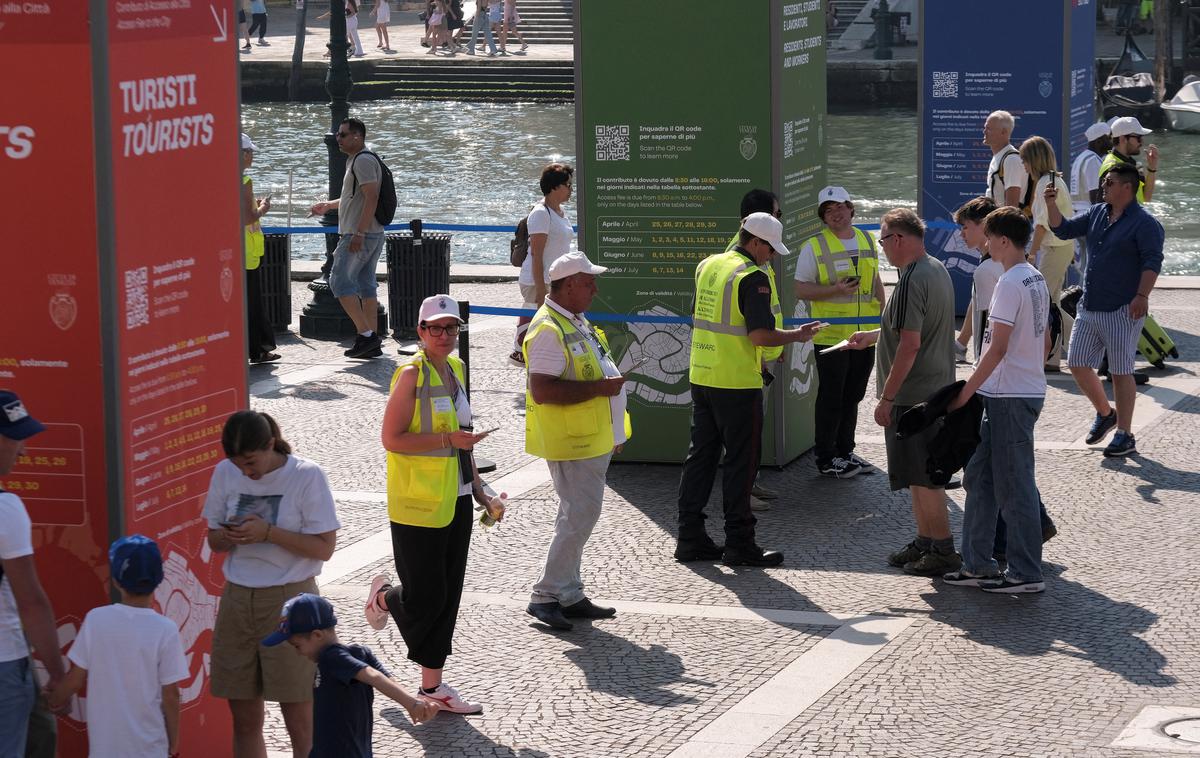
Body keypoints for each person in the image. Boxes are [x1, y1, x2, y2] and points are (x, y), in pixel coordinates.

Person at [364, 295, 504, 712]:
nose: (444, 336)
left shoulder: (456, 368)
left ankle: (432, 688)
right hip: (417, 503)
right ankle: (386, 598)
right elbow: (391, 439)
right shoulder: (411, 375)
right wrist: (446, 441)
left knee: (447, 595)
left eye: (451, 328)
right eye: (435, 328)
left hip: (455, 497)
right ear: (420, 332)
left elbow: (464, 436)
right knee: (427, 596)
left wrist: (480, 489)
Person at [675, 213, 822, 568]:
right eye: (770, 250)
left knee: (700, 459)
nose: (771, 257)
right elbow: (759, 335)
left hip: (702, 375)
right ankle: (740, 543)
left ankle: (689, 537)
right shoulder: (752, 277)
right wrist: (797, 336)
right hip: (738, 382)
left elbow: (698, 313)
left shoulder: (709, 264)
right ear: (755, 242)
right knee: (742, 464)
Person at [203, 410, 341, 758]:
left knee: (300, 720)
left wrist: (268, 533)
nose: (246, 472)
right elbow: (213, 541)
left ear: (269, 445)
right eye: (238, 465)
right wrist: (229, 535)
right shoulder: (225, 473)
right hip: (238, 599)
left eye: (251, 462)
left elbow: (324, 548)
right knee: (244, 720)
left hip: (292, 599)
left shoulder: (306, 476)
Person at [846, 209, 959, 576]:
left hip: (914, 396)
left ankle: (942, 549)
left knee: (925, 479)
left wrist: (887, 398)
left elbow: (910, 345)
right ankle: (925, 542)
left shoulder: (910, 280)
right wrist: (874, 338)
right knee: (916, 475)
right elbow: (911, 333)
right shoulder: (936, 269)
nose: (883, 249)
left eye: (882, 241)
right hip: (936, 389)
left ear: (898, 239)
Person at [943, 208, 1050, 594]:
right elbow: (1046, 341)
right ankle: (976, 564)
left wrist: (965, 393)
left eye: (989, 237)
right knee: (981, 477)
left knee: (1013, 484)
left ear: (1004, 241)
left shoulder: (1008, 282)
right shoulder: (1035, 277)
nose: (985, 244)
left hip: (1008, 396)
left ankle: (1025, 572)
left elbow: (998, 346)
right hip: (1016, 391)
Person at [523, 253, 630, 630]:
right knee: (579, 516)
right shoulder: (549, 329)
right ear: (569, 285)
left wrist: (614, 431)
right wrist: (602, 389)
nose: (595, 289)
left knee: (577, 515)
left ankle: (568, 593)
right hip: (572, 441)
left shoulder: (574, 320)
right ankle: (546, 594)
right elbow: (543, 390)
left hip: (589, 438)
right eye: (589, 283)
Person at [1046, 162, 1164, 457]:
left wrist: (1142, 295)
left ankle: (1125, 433)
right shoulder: (1099, 212)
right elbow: (1063, 229)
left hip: (1124, 309)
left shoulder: (1146, 224)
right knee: (1077, 362)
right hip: (1090, 305)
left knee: (1121, 371)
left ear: (1127, 187)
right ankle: (1105, 413)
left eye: (1109, 182)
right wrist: (1050, 204)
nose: (1103, 187)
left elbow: (1152, 262)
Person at [47, 535, 189, 755]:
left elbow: (75, 681)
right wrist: (174, 743)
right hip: (151, 749)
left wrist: (51, 701)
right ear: (159, 579)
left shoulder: (96, 619)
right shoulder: (166, 629)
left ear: (115, 580)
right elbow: (171, 695)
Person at [265, 594, 436, 755]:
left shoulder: (331, 658)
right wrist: (415, 702)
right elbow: (385, 678)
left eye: (297, 646)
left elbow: (373, 676)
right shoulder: (360, 652)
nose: (298, 653)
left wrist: (412, 704)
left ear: (317, 635)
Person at [793, 186, 885, 478]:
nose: (836, 214)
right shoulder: (814, 246)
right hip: (832, 336)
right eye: (829, 210)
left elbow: (876, 280)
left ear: (851, 209)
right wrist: (835, 289)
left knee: (854, 395)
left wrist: (883, 316)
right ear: (823, 217)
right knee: (832, 397)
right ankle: (826, 457)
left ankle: (846, 452)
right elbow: (800, 289)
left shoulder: (865, 238)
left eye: (841, 207)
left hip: (865, 334)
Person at [0, 391, 66, 758]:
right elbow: (32, 603)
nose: (23, 450)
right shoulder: (6, 509)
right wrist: (57, 674)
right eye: (15, 438)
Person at [309, 118, 386, 360]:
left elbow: (372, 197)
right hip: (373, 232)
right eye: (338, 135)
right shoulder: (361, 159)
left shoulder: (362, 160)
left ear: (357, 136)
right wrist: (328, 206)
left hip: (360, 233)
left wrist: (359, 233)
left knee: (339, 283)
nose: (337, 139)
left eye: (342, 135)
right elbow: (357, 198)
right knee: (366, 286)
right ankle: (370, 339)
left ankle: (367, 336)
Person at [1019, 135, 1075, 372]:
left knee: (1046, 302)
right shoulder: (1053, 180)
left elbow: (1041, 224)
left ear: (1033, 160)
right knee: (1050, 300)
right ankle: (1053, 357)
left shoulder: (1044, 183)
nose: (1023, 166)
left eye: (1024, 161)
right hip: (1061, 246)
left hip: (1053, 247)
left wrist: (1030, 254)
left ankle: (1085, 342)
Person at [511, 163, 575, 367]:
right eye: (567, 185)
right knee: (536, 326)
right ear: (555, 187)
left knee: (549, 328)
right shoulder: (541, 213)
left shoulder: (560, 212)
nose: (571, 189)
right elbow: (537, 255)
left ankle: (543, 363)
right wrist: (540, 291)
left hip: (554, 279)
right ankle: (521, 355)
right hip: (538, 280)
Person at [241, 133, 279, 365]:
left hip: (230, 249)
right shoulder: (244, 181)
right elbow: (249, 217)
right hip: (247, 250)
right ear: (243, 154)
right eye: (250, 152)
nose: (252, 156)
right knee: (253, 302)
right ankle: (259, 349)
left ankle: (254, 348)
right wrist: (263, 207)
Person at [952, 196, 1001, 362]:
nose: (961, 233)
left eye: (965, 227)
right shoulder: (1005, 260)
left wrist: (980, 364)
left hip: (991, 369)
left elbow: (988, 327)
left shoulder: (987, 269)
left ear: (984, 225)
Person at [1070, 122, 1111, 273]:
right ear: (1100, 141)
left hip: (1078, 217)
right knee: (1091, 270)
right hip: (1088, 220)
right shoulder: (1093, 161)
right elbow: (1097, 198)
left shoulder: (1081, 158)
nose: (1112, 142)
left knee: (1085, 268)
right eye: (1109, 138)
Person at [1101, 116, 1159, 203]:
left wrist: (1152, 168)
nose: (1142, 142)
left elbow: (1146, 197)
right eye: (1138, 138)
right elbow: (1109, 207)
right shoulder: (1112, 167)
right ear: (1123, 139)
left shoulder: (1131, 164)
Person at [983, 110, 1026, 208]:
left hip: (1007, 222)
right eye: (985, 127)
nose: (984, 131)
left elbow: (1012, 207)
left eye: (989, 128)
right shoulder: (999, 157)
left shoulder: (1011, 160)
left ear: (1003, 132)